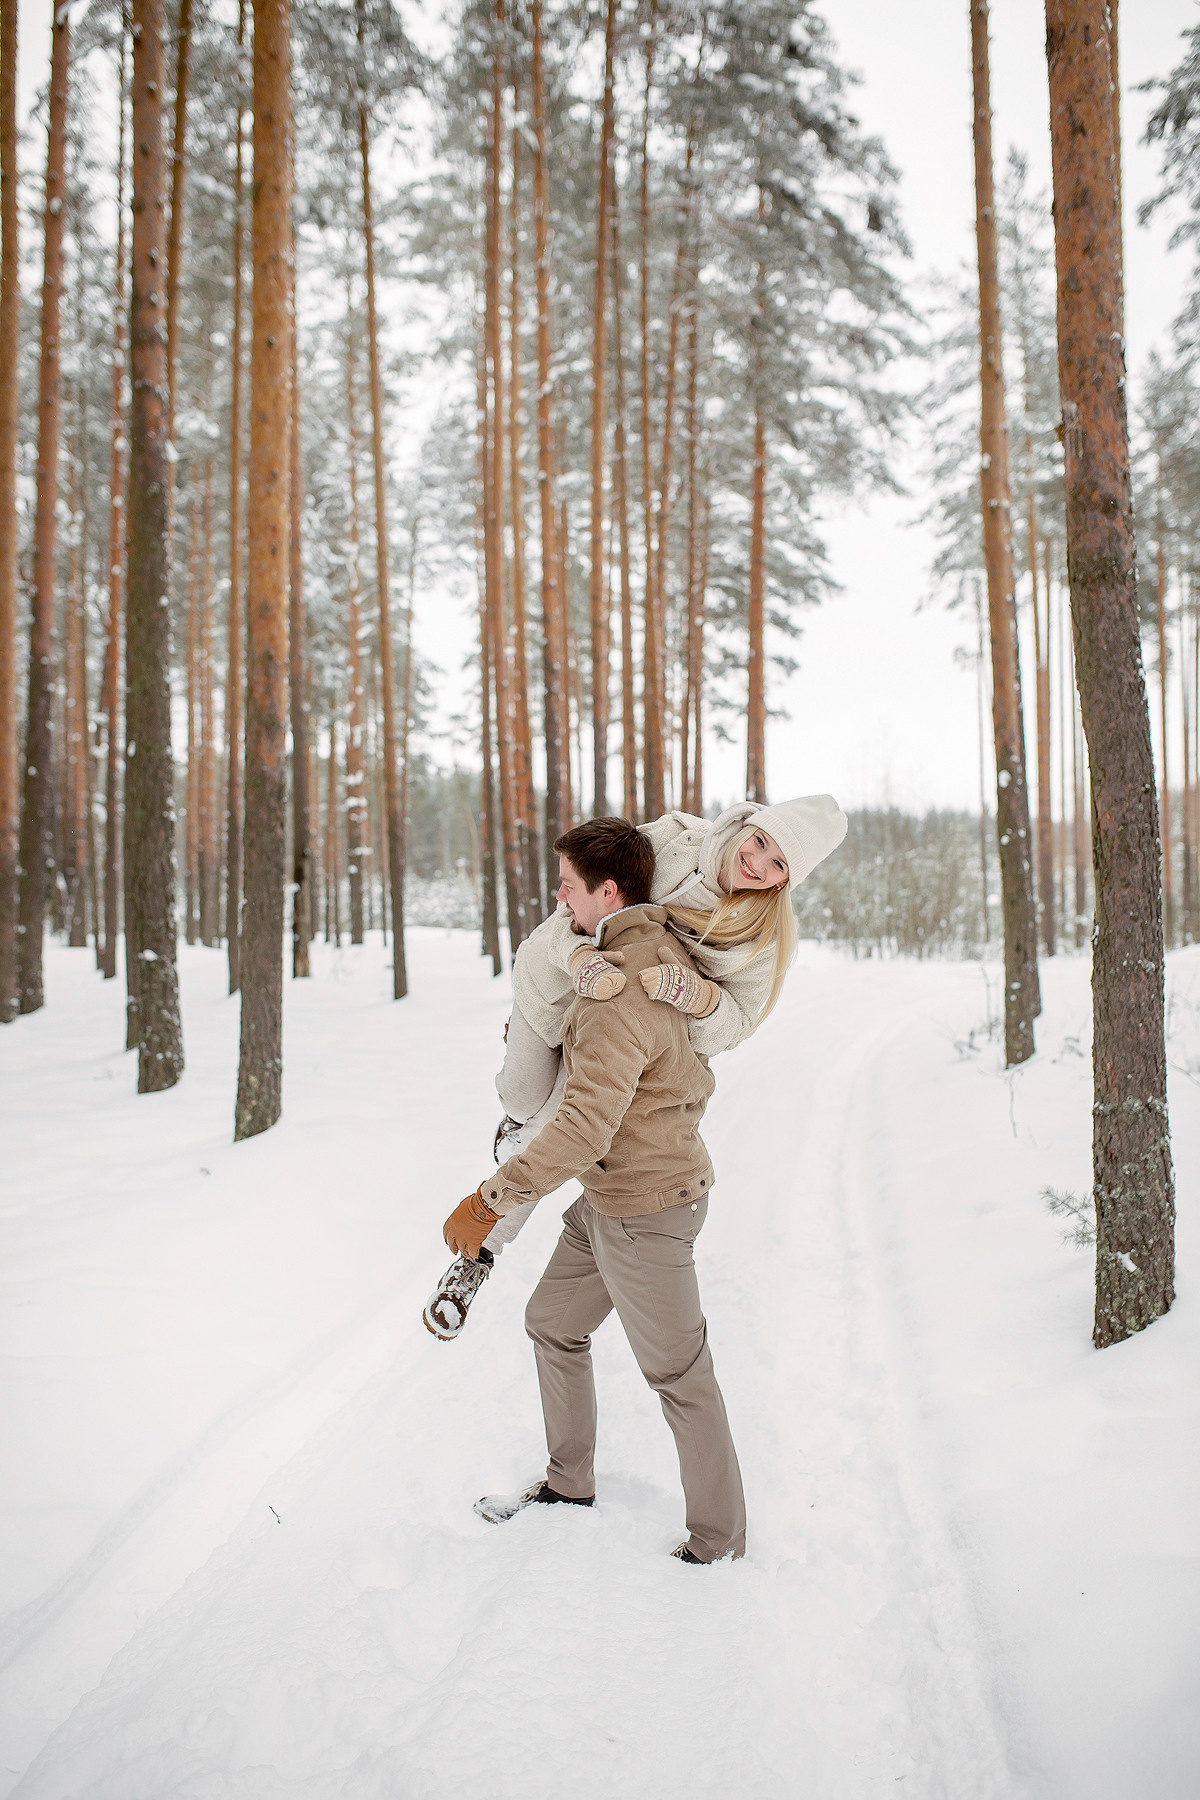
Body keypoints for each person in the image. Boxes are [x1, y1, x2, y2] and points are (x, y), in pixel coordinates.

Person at [424, 795, 847, 1340]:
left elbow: (738, 1022)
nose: (757, 864)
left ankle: (476, 1257)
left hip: (630, 1030)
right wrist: (577, 957)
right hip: (557, 980)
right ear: (748, 823)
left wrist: (701, 1000)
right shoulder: (671, 840)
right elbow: (575, 897)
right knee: (523, 1097)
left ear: (789, 880)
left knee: (554, 1126)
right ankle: (518, 1114)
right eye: (761, 841)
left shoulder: (761, 937)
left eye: (779, 865)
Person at [440, 817, 744, 1563]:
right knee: (551, 1321)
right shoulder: (652, 947)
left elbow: (581, 1130)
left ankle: (719, 1543)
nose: (559, 897)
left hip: (647, 1209)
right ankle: (568, 1481)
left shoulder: (616, 995)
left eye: (569, 886)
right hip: (612, 1201)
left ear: (607, 892)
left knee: (680, 1377)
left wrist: (491, 1200)